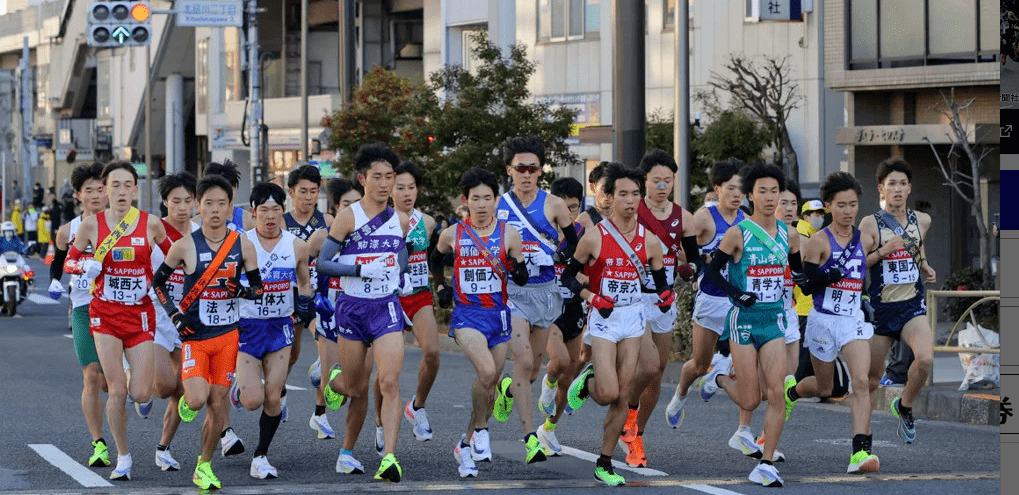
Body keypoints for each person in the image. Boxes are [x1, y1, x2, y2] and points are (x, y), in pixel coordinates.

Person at [560, 164, 674, 486]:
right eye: (623, 193)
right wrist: (590, 297)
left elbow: (660, 283)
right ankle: (590, 380)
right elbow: (568, 276)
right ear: (609, 197)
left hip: (633, 318)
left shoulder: (651, 242)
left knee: (623, 395)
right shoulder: (594, 237)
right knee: (608, 393)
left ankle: (604, 462)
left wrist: (665, 294)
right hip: (605, 318)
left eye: (636, 193)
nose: (630, 200)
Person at [152, 174, 262, 490]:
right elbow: (159, 283)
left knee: (217, 401)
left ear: (231, 207)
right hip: (195, 337)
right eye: (209, 203)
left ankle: (204, 464)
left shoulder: (243, 244)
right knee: (197, 400)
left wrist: (239, 291)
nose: (215, 210)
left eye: (222, 204)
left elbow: (257, 289)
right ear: (199, 207)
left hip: (228, 336)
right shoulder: (184, 245)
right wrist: (174, 315)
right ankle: (188, 397)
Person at [64, 161, 171, 480]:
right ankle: (123, 457)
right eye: (115, 185)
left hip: (140, 314)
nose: (121, 191)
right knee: (115, 389)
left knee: (140, 392)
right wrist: (85, 266)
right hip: (104, 314)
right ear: (106, 189)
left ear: (135, 190)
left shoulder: (152, 224)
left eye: (128, 185)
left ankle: (131, 377)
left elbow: (175, 258)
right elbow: (69, 262)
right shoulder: (91, 226)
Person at [700, 162, 801, 487]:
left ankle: (766, 462)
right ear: (751, 195)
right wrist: (736, 294)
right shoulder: (737, 233)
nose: (771, 198)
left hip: (773, 321)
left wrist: (825, 277)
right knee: (750, 399)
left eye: (776, 191)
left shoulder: (791, 235)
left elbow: (799, 275)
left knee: (776, 393)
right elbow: (713, 273)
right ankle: (717, 376)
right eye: (763, 192)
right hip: (743, 321)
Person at [316, 143, 410, 483]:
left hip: (385, 308)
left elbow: (401, 254)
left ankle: (389, 458)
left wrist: (398, 275)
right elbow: (323, 264)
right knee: (354, 389)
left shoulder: (399, 218)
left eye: (390, 177)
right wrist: (360, 269)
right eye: (377, 177)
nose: (385, 184)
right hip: (352, 309)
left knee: (388, 381)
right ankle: (329, 384)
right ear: (363, 179)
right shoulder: (348, 216)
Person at [433, 167, 527, 477]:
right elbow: (436, 257)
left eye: (488, 198)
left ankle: (465, 443)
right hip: (467, 316)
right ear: (466, 201)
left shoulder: (509, 234)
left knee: (488, 386)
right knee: (486, 372)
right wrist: (441, 286)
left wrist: (515, 268)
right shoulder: (453, 233)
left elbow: (522, 276)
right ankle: (482, 431)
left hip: (498, 316)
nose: (483, 205)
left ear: (497, 200)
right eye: (477, 199)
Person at [785, 171, 880, 474]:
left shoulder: (864, 238)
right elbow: (807, 285)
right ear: (828, 206)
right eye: (841, 205)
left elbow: (862, 269)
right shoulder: (817, 242)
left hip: (852, 320)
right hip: (822, 320)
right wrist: (828, 276)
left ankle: (861, 453)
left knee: (862, 381)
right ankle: (794, 392)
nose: (848, 211)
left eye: (853, 204)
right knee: (825, 388)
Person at [492, 136, 578, 464]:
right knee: (524, 361)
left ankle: (506, 389)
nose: (527, 174)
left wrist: (555, 254)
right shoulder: (498, 205)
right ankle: (531, 439)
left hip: (546, 292)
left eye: (533, 168)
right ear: (509, 170)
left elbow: (572, 245)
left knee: (530, 372)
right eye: (521, 168)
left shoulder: (554, 204)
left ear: (540, 170)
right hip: (512, 292)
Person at [617, 150, 698, 468]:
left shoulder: (684, 218)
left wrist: (688, 270)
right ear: (644, 182)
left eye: (668, 180)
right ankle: (611, 391)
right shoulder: (632, 212)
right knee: (648, 365)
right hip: (634, 297)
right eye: (656, 180)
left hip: (664, 300)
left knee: (657, 374)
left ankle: (634, 433)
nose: (662, 186)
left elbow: (693, 261)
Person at [229, 182, 314, 479]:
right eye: (263, 210)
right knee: (253, 400)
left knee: (274, 397)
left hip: (280, 327)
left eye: (276, 210)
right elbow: (225, 282)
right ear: (253, 212)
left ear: (283, 212)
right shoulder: (239, 243)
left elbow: (304, 281)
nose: (270, 216)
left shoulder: (296, 246)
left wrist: (305, 302)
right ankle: (240, 386)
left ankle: (260, 455)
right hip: (247, 327)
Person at [860, 158, 937, 445]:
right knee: (870, 380)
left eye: (902, 183)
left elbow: (918, 245)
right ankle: (863, 441)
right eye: (891, 183)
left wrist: (925, 264)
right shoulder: (870, 223)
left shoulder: (923, 220)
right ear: (881, 188)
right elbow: (857, 264)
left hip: (911, 306)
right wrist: (883, 252)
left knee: (925, 359)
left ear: (909, 188)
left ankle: (904, 406)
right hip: (881, 311)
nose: (897, 189)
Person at [666, 158, 746, 428]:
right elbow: (679, 251)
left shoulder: (747, 220)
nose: (737, 194)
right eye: (731, 188)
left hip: (737, 302)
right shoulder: (704, 218)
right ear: (717, 188)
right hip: (711, 300)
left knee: (746, 361)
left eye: (741, 189)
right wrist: (701, 261)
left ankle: (721, 381)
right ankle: (680, 395)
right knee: (699, 365)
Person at [372, 161, 440, 444]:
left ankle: (417, 406)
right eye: (400, 187)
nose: (406, 193)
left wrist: (441, 282)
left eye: (411, 187)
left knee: (433, 353)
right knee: (388, 371)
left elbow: (432, 257)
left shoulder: (427, 222)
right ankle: (380, 422)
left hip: (419, 294)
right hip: (388, 297)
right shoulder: (379, 221)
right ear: (390, 190)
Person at [47, 162, 109, 469]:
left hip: (119, 308)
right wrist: (56, 282)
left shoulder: (124, 226)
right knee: (91, 375)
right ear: (78, 195)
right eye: (90, 191)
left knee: (114, 382)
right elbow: (58, 262)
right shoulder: (67, 231)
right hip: (84, 308)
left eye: (101, 189)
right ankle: (98, 442)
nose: (96, 196)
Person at [306, 178, 369, 475]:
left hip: (363, 312)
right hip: (330, 313)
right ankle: (326, 373)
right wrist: (309, 307)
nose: (354, 210)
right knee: (336, 384)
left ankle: (325, 372)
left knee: (356, 386)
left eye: (358, 203)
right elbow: (301, 270)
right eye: (347, 205)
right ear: (335, 208)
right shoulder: (321, 239)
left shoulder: (371, 235)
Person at [200, 159, 252, 456]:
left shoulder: (246, 219)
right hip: (207, 306)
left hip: (242, 301)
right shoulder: (196, 224)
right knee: (214, 374)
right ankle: (226, 432)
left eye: (227, 194)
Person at [148, 172, 200, 472]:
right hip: (156, 313)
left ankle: (163, 447)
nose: (182, 207)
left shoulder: (202, 232)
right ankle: (136, 378)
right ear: (165, 202)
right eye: (175, 201)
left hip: (189, 317)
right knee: (164, 386)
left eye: (187, 201)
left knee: (183, 389)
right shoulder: (155, 231)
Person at [535, 176, 588, 456]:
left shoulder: (582, 235)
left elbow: (593, 271)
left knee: (569, 374)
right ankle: (546, 383)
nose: (569, 214)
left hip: (574, 308)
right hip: (547, 307)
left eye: (575, 207)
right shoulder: (539, 232)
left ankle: (549, 429)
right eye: (565, 207)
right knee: (560, 360)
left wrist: (586, 279)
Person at [282, 165, 334, 426]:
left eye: (313, 191)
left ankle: (320, 412)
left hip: (316, 293)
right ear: (291, 192)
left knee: (324, 343)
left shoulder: (327, 222)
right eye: (303, 191)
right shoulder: (281, 222)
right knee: (291, 354)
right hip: (288, 294)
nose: (308, 197)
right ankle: (279, 392)